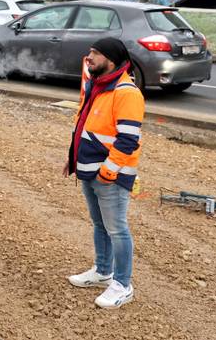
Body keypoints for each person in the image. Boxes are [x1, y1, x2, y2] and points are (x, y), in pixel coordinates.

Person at [64, 37, 145, 309]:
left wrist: (107, 173)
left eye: (95, 53)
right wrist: (72, 159)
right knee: (100, 225)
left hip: (110, 176)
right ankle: (102, 271)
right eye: (90, 52)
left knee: (117, 229)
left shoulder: (126, 93)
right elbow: (83, 125)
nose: (89, 57)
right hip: (90, 172)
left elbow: (128, 140)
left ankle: (123, 284)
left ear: (110, 60)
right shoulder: (98, 86)